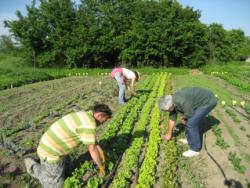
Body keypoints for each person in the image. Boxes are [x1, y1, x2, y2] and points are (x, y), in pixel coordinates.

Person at [24, 104, 112, 188]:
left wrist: (102, 152)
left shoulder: (85, 114)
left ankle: (48, 164)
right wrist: (101, 167)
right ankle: (33, 166)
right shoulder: (89, 124)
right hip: (51, 152)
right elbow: (92, 149)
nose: (103, 123)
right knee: (56, 186)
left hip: (57, 146)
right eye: (105, 120)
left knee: (70, 171)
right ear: (99, 116)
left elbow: (92, 141)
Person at [158, 87, 217, 157]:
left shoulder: (182, 101)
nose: (167, 112)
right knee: (188, 121)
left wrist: (184, 118)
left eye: (167, 111)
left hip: (208, 101)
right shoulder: (172, 101)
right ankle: (189, 139)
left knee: (191, 123)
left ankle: (195, 149)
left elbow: (189, 114)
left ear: (171, 107)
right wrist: (169, 133)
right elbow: (172, 119)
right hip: (198, 100)